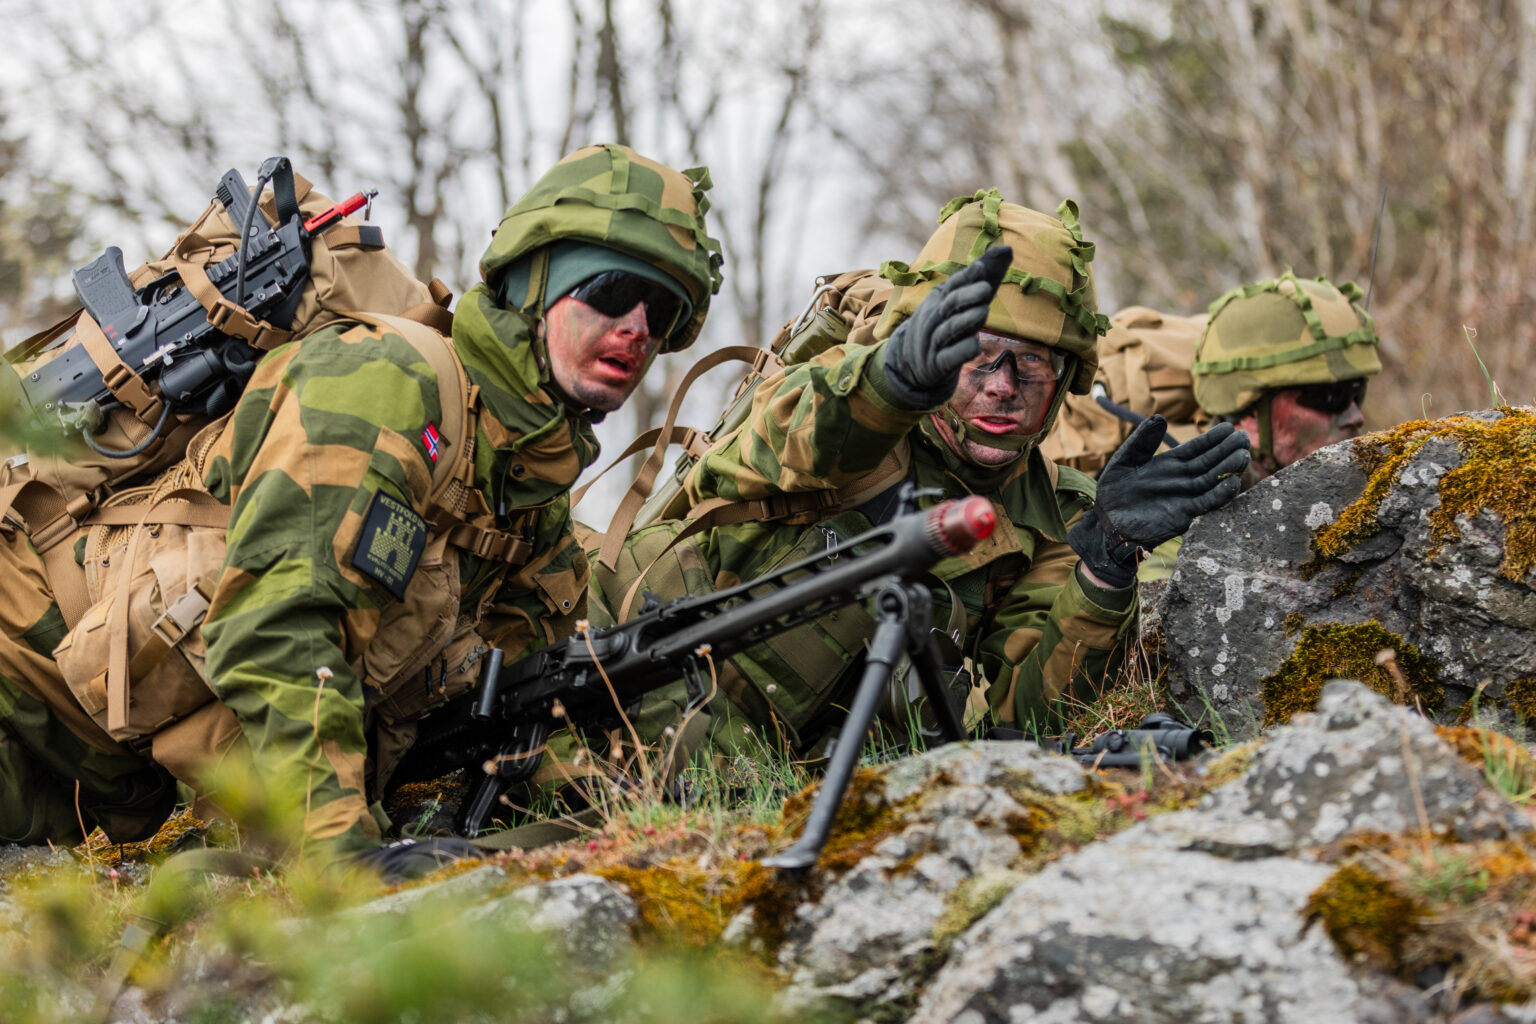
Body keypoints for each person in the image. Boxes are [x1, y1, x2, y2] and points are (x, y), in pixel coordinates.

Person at [0, 143, 723, 864]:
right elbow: (276, 625)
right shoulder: (389, 382)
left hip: (105, 790)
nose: (634, 328)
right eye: (606, 291)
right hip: (19, 687)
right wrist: (341, 854)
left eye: (661, 310)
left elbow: (514, 707)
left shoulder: (528, 504)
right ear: (535, 282)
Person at [588, 190, 1249, 764]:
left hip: (783, 778)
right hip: (622, 697)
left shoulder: (1054, 515)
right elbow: (779, 438)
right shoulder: (844, 407)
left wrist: (1106, 566)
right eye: (977, 356)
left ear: (1065, 381)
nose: (1000, 388)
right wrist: (889, 382)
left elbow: (1029, 715)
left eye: (1032, 366)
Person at [1044, 273, 1382, 581]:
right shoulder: (1175, 504)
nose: (1355, 416)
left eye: (1358, 393)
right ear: (1249, 407)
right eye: (1331, 397)